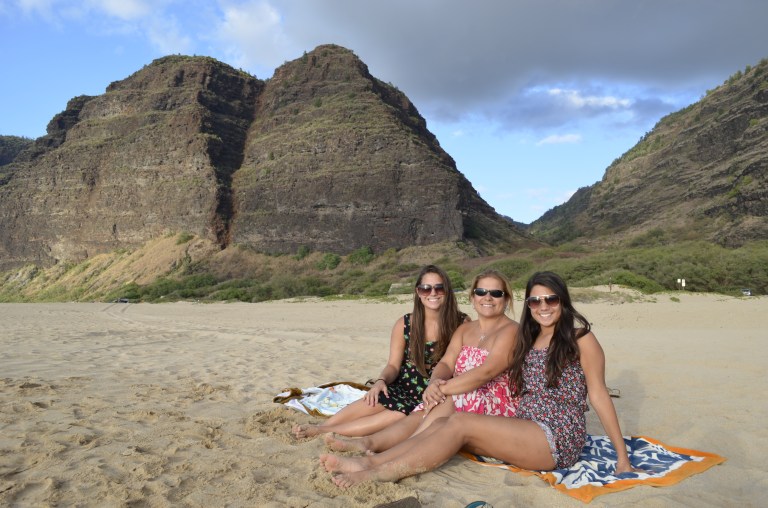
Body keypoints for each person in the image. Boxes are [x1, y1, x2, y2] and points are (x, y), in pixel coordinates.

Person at [321, 271, 635, 488]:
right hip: (524, 426)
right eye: (536, 301)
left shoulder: (580, 339)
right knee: (445, 422)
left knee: (459, 422)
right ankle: (370, 463)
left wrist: (622, 458)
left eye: (551, 300)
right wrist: (439, 386)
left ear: (563, 302)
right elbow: (466, 362)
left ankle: (381, 473)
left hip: (556, 438)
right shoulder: (528, 337)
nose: (543, 307)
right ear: (528, 305)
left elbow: (598, 395)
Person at [324, 269, 519, 454]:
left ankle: (400, 448)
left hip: (460, 390)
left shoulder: (465, 323)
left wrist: (439, 387)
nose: (487, 297)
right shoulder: (417, 324)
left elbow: (485, 372)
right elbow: (443, 363)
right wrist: (383, 381)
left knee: (411, 410)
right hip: (427, 385)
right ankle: (334, 431)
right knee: (381, 398)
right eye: (481, 291)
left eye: (495, 293)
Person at [292, 264, 468, 439]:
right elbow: (393, 365)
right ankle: (323, 426)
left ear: (448, 291)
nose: (433, 293)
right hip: (404, 385)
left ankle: (325, 432)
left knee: (398, 414)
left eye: (439, 287)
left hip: (435, 391)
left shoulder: (461, 323)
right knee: (377, 398)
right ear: (417, 292)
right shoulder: (405, 323)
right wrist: (381, 381)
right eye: (425, 289)